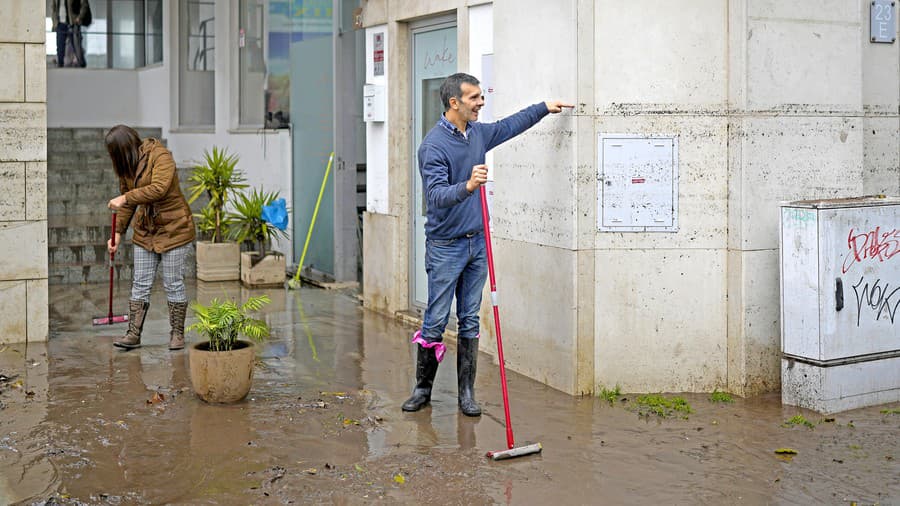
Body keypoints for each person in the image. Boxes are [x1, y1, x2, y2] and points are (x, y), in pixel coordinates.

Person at [402, 72, 573, 416]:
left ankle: (467, 394)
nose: (481, 102)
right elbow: (435, 197)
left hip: (478, 244)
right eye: (474, 98)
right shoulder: (432, 145)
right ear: (455, 103)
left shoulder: (478, 134)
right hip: (445, 246)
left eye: (481, 96)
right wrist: (467, 186)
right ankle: (422, 390)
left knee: (469, 319)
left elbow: (510, 125)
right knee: (435, 320)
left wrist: (543, 107)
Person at [105, 125, 196, 351]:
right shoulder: (127, 167)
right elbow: (129, 204)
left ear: (125, 148)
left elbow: (159, 188)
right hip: (146, 230)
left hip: (175, 229)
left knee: (173, 283)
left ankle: (177, 333)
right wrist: (117, 234)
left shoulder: (160, 156)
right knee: (140, 282)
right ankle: (133, 334)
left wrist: (125, 197)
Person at [51, 0, 90, 68]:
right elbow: (54, 8)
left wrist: (79, 18)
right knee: (60, 48)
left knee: (77, 46)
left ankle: (82, 65)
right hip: (60, 24)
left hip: (73, 23)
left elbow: (84, 5)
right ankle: (60, 66)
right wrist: (55, 21)